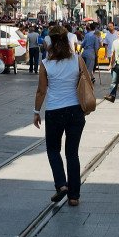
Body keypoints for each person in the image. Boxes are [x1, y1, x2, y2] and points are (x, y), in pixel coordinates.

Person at [34, 24, 85, 208]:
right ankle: (74, 196)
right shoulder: (77, 60)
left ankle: (61, 184)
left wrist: (36, 112)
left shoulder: (46, 64)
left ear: (50, 41)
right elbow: (84, 81)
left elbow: (41, 91)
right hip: (75, 111)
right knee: (72, 153)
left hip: (54, 111)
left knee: (53, 150)